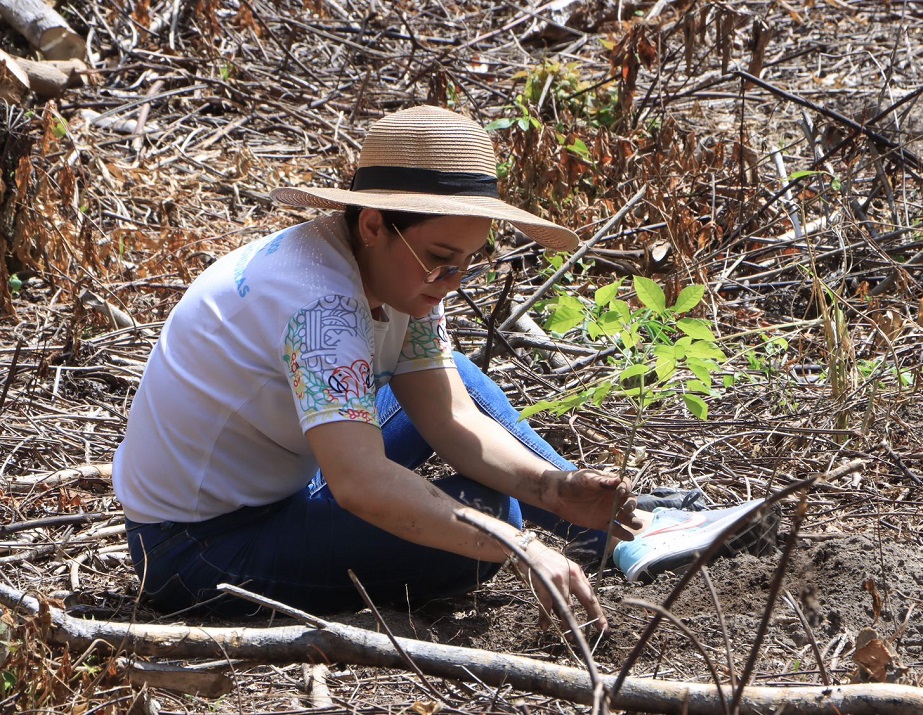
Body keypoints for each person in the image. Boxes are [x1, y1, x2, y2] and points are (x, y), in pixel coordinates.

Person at [113, 105, 773, 631]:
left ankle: (610, 530)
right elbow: (359, 482)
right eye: (439, 258)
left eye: (466, 262)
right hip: (194, 550)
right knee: (488, 513)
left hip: (282, 491)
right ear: (372, 224)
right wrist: (517, 543)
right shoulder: (315, 304)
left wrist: (549, 486)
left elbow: (452, 416)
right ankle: (590, 537)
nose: (451, 281)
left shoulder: (395, 275)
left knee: (465, 387)